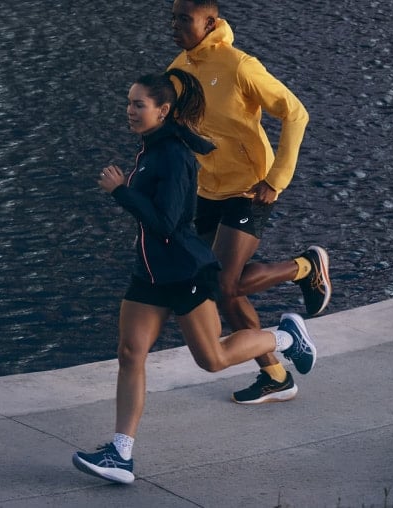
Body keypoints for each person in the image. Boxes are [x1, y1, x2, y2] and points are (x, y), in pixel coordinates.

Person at [70, 69, 317, 485]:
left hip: (185, 271)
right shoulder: (151, 149)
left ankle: (287, 338)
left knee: (213, 359)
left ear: (163, 110)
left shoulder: (173, 156)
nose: (130, 110)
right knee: (131, 353)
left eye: (139, 104)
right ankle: (121, 454)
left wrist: (121, 192)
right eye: (129, 102)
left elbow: (168, 223)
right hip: (148, 272)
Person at [168, 0, 331, 405]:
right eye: (172, 17)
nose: (175, 26)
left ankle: (306, 267)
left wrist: (276, 179)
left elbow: (295, 113)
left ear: (210, 22)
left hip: (250, 187)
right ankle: (276, 376)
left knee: (225, 282)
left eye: (184, 19)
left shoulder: (240, 65)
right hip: (208, 189)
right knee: (221, 290)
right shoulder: (177, 69)